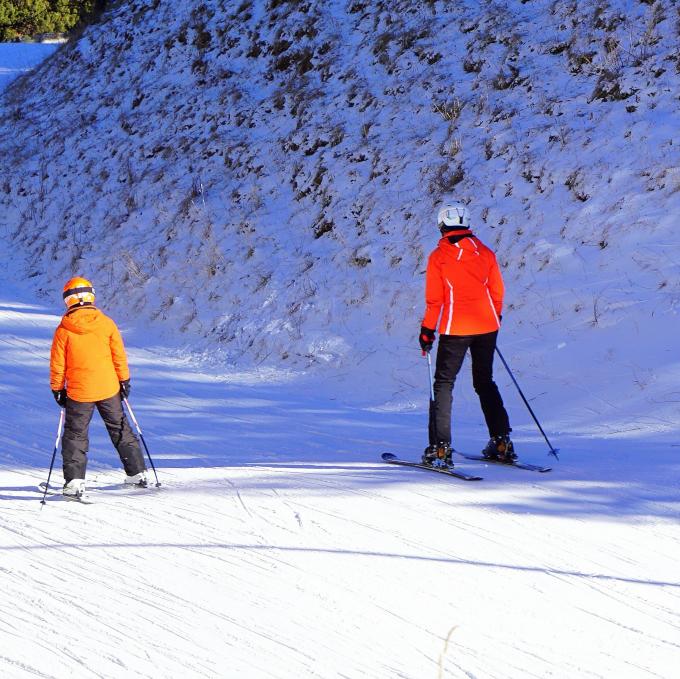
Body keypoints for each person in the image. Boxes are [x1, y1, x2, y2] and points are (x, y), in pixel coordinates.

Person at [418, 201, 515, 466]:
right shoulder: (485, 252)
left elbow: (434, 300)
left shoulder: (438, 257)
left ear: (442, 225)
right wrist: (495, 316)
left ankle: (440, 447)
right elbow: (497, 290)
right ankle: (501, 440)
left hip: (455, 328)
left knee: (443, 384)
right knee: (485, 382)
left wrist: (427, 330)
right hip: (487, 326)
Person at [49, 277, 148, 497]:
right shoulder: (106, 323)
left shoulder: (64, 330)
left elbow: (58, 363)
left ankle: (74, 482)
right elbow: (118, 355)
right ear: (91, 295)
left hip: (79, 391)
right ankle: (137, 473)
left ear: (68, 299)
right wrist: (124, 380)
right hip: (108, 387)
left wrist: (57, 388)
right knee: (120, 427)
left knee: (75, 434)